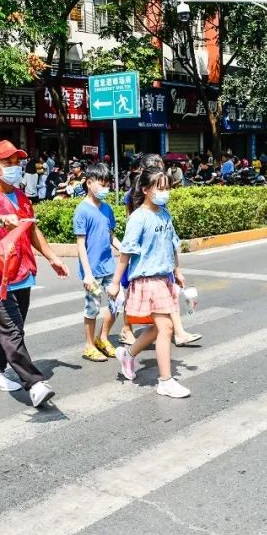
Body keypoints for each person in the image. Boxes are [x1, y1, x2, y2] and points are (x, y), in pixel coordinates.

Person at [0, 139, 68, 409]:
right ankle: (34, 383)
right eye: (7, 162)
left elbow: (32, 230)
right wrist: (2, 219)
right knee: (12, 331)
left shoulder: (22, 197)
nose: (14, 166)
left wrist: (52, 257)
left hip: (22, 273)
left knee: (11, 328)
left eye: (17, 161)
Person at [109, 166, 191, 398]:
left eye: (167, 187)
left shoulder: (165, 214)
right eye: (159, 187)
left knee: (158, 328)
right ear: (145, 189)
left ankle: (128, 354)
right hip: (147, 279)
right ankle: (165, 381)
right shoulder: (139, 218)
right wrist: (116, 283)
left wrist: (177, 271)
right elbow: (126, 252)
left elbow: (172, 244)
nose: (164, 192)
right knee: (166, 327)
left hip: (164, 278)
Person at [73, 163, 120, 363]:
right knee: (92, 307)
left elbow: (111, 236)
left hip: (109, 266)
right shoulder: (82, 210)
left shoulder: (107, 208)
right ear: (89, 183)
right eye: (102, 184)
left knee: (117, 302)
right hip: (92, 270)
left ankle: (103, 338)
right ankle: (89, 346)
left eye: (107, 184)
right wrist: (88, 273)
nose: (105, 188)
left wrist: (125, 248)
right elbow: (81, 245)